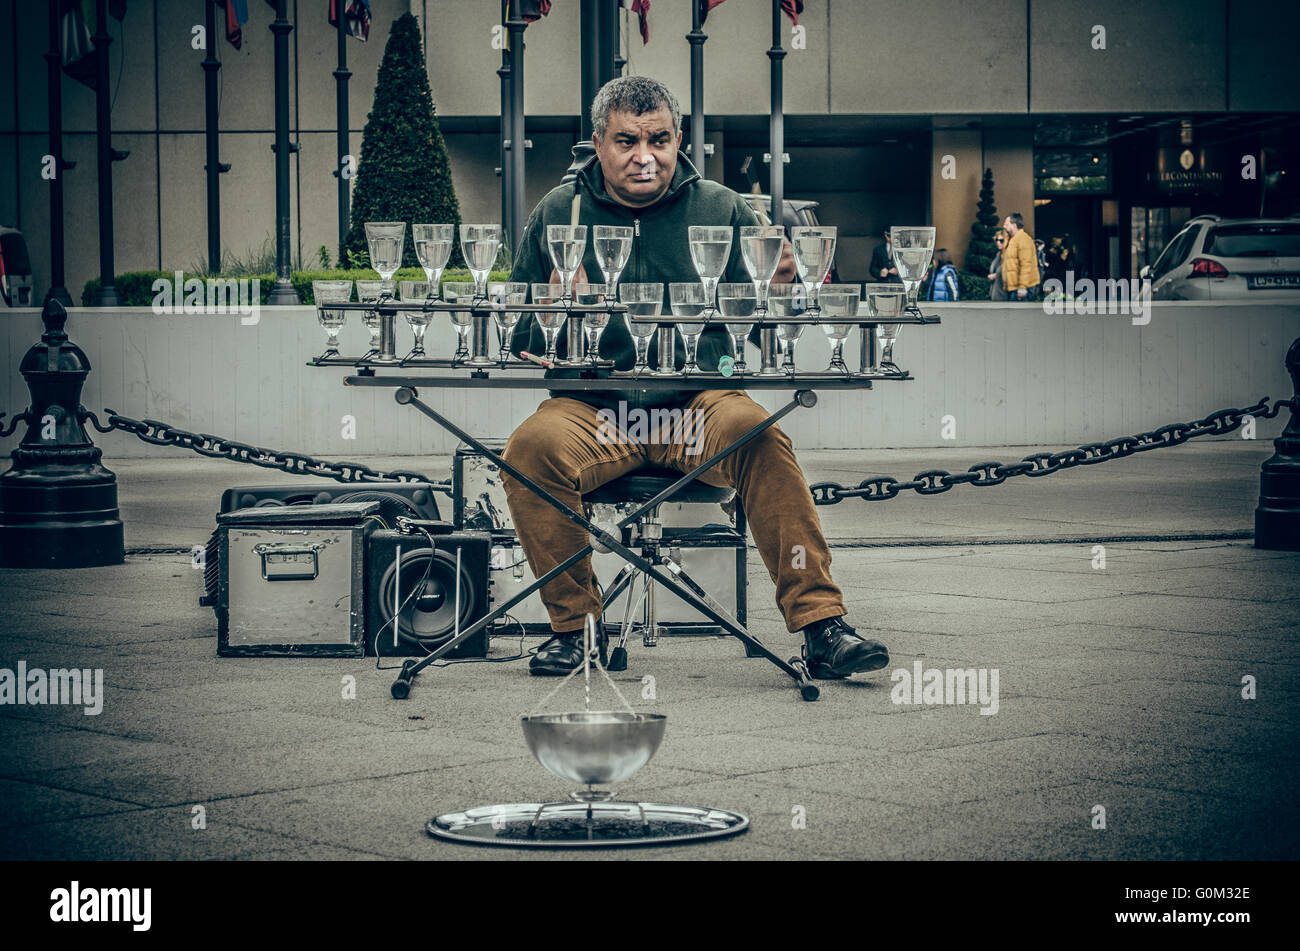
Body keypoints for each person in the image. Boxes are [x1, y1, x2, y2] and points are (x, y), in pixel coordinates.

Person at [503, 75, 889, 681]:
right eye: (626, 141)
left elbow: (765, 323)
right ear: (599, 142)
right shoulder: (559, 211)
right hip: (593, 404)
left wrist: (783, 293)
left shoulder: (723, 207)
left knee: (759, 435)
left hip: (698, 403)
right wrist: (545, 313)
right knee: (528, 449)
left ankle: (822, 626)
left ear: (678, 138)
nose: (644, 156)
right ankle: (575, 628)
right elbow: (519, 337)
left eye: (659, 139)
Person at [1001, 212, 1040, 302]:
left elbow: (1026, 265)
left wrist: (1022, 287)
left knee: (1019, 315)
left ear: (1014, 225)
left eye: (1006, 224)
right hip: (1014, 287)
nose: (1003, 226)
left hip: (1022, 288)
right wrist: (1006, 284)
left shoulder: (1024, 240)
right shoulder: (1011, 240)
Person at [987, 228, 1008, 301]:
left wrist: (996, 275)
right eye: (997, 240)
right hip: (995, 292)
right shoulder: (998, 255)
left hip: (1004, 294)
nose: (998, 243)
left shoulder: (1009, 255)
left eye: (1001, 241)